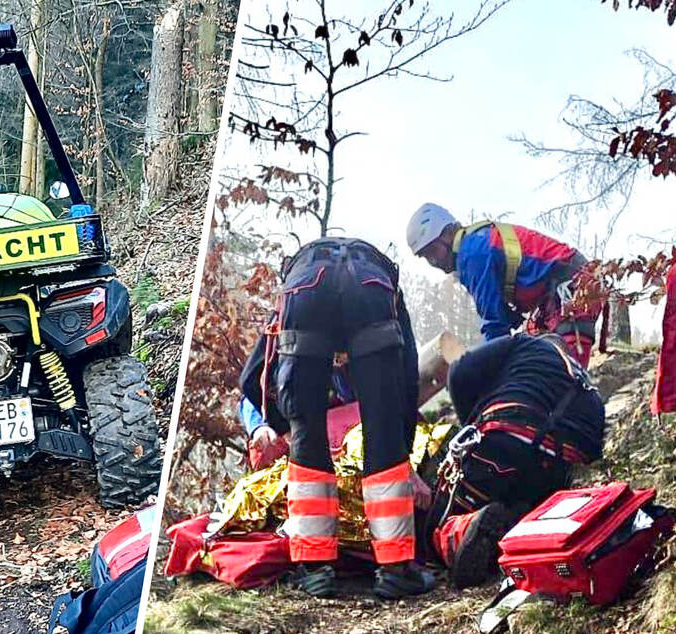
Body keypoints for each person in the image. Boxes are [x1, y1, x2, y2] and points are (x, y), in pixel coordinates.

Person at [243, 237, 434, 600]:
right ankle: (395, 571)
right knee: (382, 430)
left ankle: (315, 571)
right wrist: (401, 444)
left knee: (307, 438)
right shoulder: (384, 279)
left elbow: (253, 375)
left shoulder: (296, 278)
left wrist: (286, 426)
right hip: (371, 290)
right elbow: (408, 376)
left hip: (306, 291)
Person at [423, 333, 605, 589]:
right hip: (558, 471)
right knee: (520, 501)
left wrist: (472, 423)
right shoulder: (592, 393)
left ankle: (461, 531)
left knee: (436, 519)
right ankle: (516, 527)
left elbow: (459, 371)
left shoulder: (525, 344)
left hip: (505, 441)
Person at [407, 203, 602, 367]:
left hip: (571, 283)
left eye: (433, 252)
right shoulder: (471, 253)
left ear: (448, 235)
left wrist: (484, 367)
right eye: (426, 257)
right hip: (550, 293)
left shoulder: (473, 253)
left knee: (564, 369)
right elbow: (505, 317)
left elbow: (495, 325)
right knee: (531, 359)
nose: (433, 262)